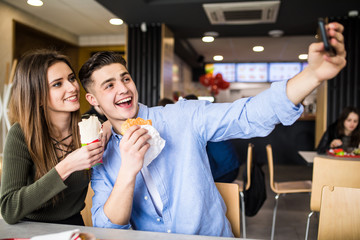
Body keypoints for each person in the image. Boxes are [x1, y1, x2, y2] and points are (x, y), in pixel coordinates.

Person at [78, 22, 346, 237]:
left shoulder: (183, 115)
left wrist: (313, 75)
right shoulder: (101, 155)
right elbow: (107, 227)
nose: (124, 88)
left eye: (125, 78)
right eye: (109, 85)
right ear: (93, 101)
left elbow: (249, 114)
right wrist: (127, 170)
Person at [0, 49, 104, 225]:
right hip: (30, 230)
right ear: (37, 95)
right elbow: (9, 208)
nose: (72, 87)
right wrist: (66, 166)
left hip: (74, 227)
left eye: (71, 78)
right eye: (57, 84)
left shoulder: (90, 126)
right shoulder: (21, 134)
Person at [183, 94, 240, 183]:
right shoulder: (204, 118)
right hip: (231, 166)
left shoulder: (200, 123)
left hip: (226, 170)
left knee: (194, 182)